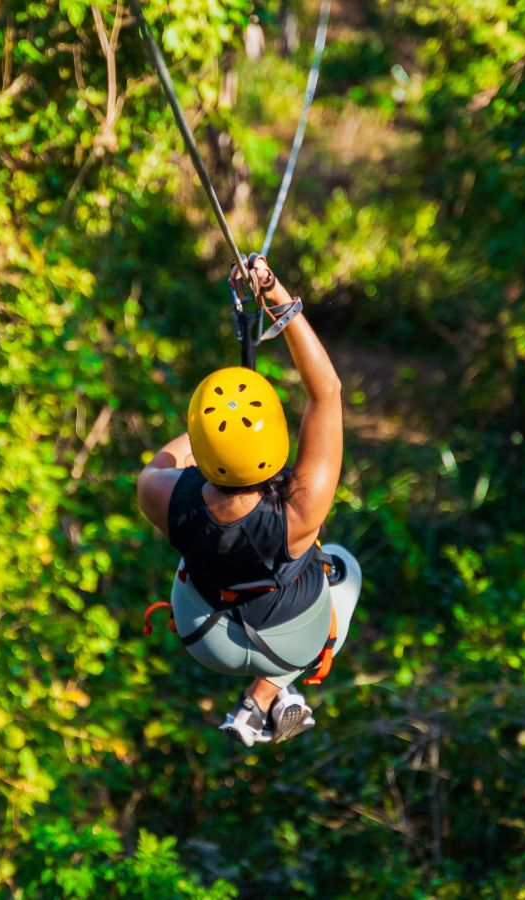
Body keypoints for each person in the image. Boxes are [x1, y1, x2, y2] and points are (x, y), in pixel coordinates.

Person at [137, 256, 362, 746]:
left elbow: (167, 462)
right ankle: (266, 695)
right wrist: (279, 297)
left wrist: (212, 432)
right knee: (344, 568)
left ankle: (266, 703)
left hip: (206, 637)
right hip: (286, 642)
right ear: (275, 440)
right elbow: (326, 392)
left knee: (190, 559)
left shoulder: (158, 493)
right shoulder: (301, 512)